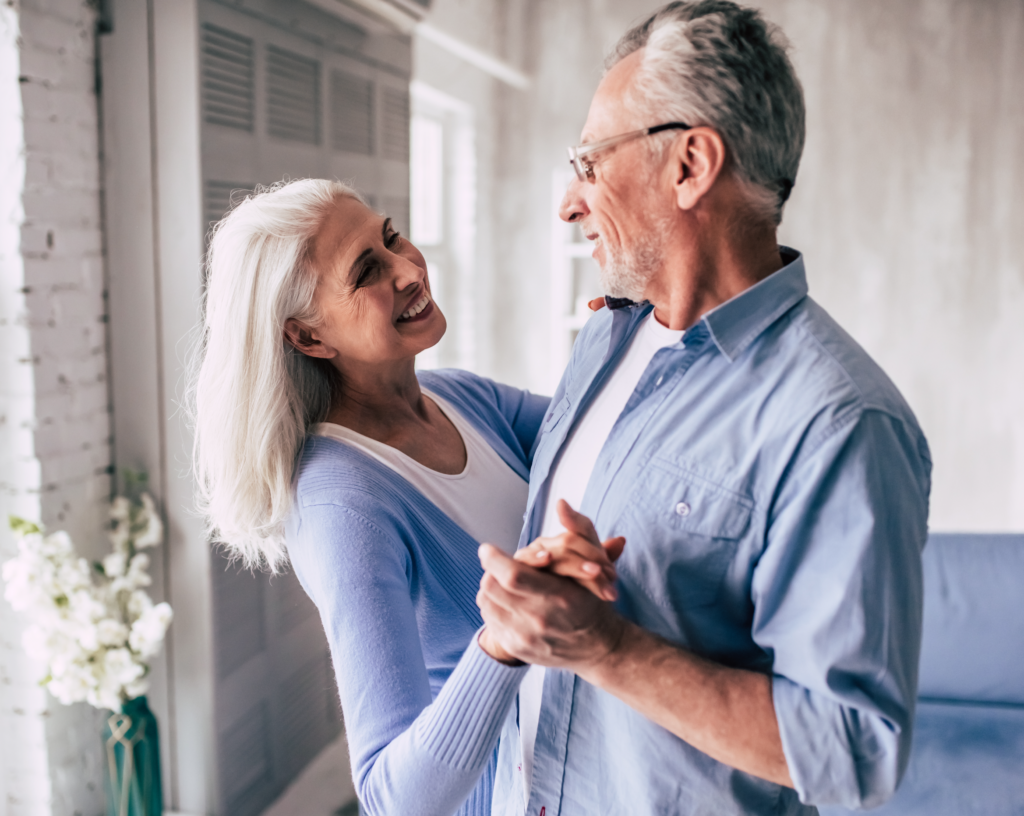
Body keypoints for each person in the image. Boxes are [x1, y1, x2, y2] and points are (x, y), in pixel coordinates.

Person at [474, 3, 932, 815]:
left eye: (589, 161)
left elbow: (852, 749)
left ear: (690, 164)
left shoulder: (840, 424)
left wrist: (605, 646)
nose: (569, 204)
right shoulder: (606, 341)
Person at [191, 179, 623, 816]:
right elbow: (393, 797)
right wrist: (502, 641)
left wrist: (620, 337)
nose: (409, 268)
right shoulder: (345, 504)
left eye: (391, 237)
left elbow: (608, 440)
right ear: (309, 338)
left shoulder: (460, 397)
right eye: (368, 269)